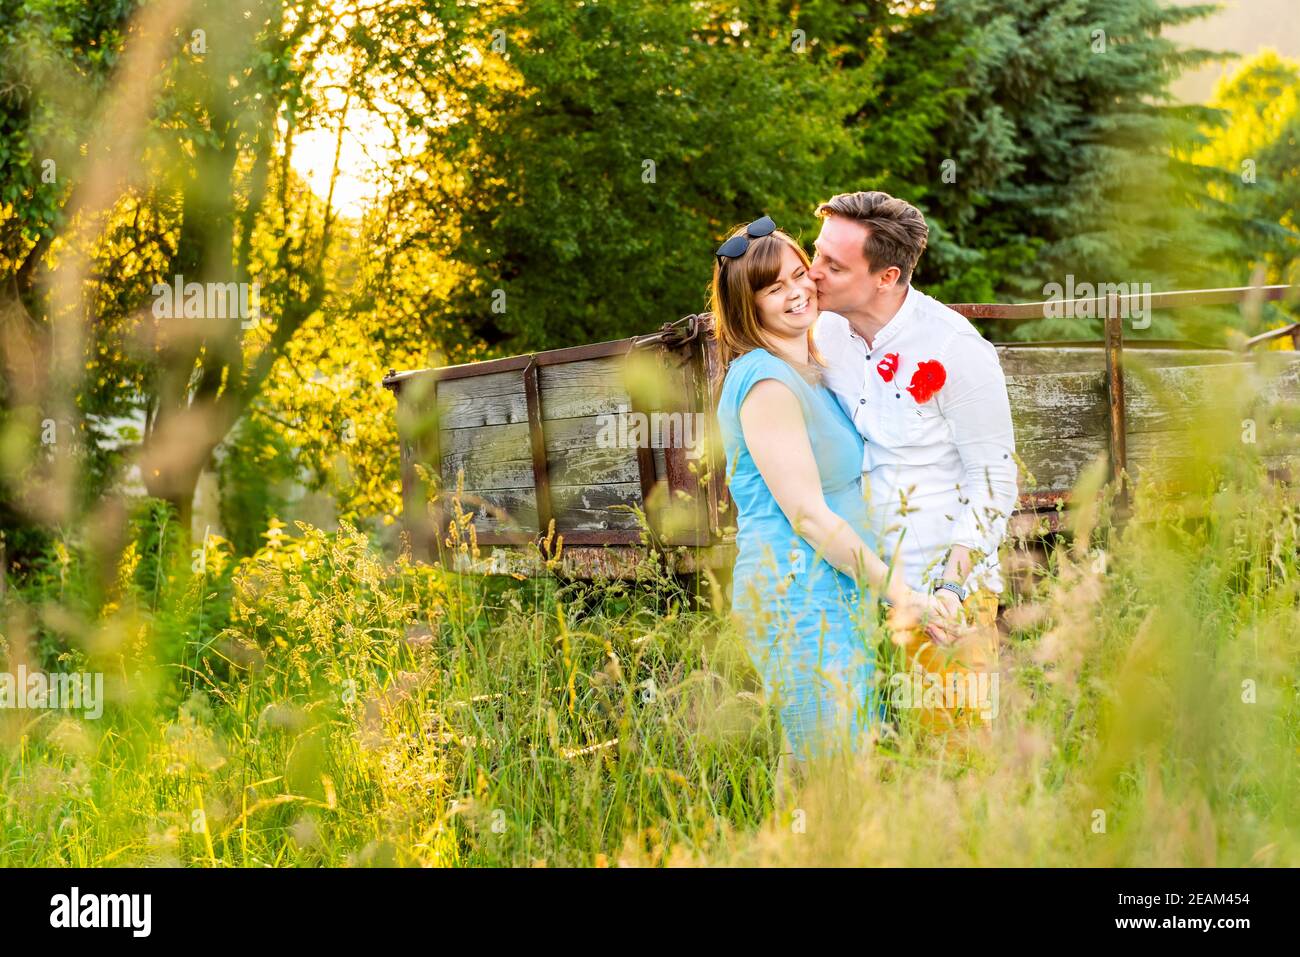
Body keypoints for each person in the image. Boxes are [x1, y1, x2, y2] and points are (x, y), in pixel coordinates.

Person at [709, 215, 951, 773]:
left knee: (830, 760)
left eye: (800, 274)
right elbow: (808, 516)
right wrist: (903, 594)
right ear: (749, 306)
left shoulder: (808, 369)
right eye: (775, 289)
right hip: (796, 592)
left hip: (832, 589)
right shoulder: (767, 382)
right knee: (834, 767)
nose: (797, 292)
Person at [808, 190, 1018, 732]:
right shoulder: (825, 331)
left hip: (937, 594)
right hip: (857, 588)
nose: (814, 274)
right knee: (873, 764)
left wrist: (949, 591)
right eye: (817, 253)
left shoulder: (955, 348)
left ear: (887, 276)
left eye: (834, 265)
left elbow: (994, 479)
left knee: (952, 762)